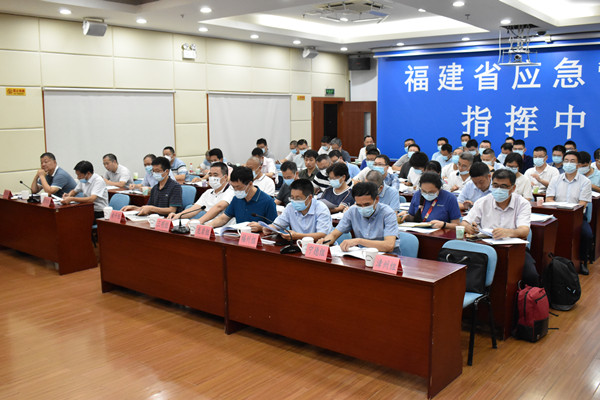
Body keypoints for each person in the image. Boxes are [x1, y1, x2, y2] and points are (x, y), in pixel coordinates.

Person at [461, 169, 540, 287]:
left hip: (514, 249)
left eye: (503, 186)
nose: (498, 189)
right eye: (495, 185)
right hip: (485, 247)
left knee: (531, 275)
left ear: (513, 188)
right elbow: (464, 223)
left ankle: (528, 297)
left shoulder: (522, 203)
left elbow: (524, 230)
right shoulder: (483, 201)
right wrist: (469, 228)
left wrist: (508, 232)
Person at [317, 182, 399, 253]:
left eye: (367, 204)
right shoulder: (352, 211)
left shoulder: (388, 213)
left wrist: (359, 241)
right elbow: (334, 235)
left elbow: (389, 246)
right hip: (362, 256)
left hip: (386, 257)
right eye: (359, 205)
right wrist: (325, 241)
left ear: (377, 199)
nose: (363, 208)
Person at [546, 151, 593, 274]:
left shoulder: (585, 181)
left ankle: (582, 262)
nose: (568, 163)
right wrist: (560, 208)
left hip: (577, 217)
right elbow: (549, 199)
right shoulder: (555, 179)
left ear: (578, 165)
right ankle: (549, 261)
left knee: (587, 235)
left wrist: (569, 209)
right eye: (566, 161)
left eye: (572, 161)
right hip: (557, 215)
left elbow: (583, 203)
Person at [205, 166, 277, 232]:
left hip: (259, 239)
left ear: (250, 184)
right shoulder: (237, 198)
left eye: (238, 187)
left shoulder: (268, 201)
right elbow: (223, 218)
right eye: (233, 187)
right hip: (239, 237)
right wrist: (208, 225)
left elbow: (275, 228)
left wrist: (261, 227)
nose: (236, 190)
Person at [263, 179, 332, 241]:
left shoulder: (321, 209)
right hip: (297, 244)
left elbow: (322, 234)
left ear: (310, 197)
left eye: (298, 198)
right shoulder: (290, 207)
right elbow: (278, 224)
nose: (294, 201)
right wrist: (270, 228)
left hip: (318, 246)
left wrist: (298, 236)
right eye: (292, 198)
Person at [167, 162, 234, 225]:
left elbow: (219, 207)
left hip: (223, 227)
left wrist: (199, 221)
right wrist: (178, 215)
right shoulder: (208, 192)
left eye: (215, 175)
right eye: (210, 175)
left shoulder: (231, 191)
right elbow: (194, 209)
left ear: (225, 177)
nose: (212, 178)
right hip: (206, 225)